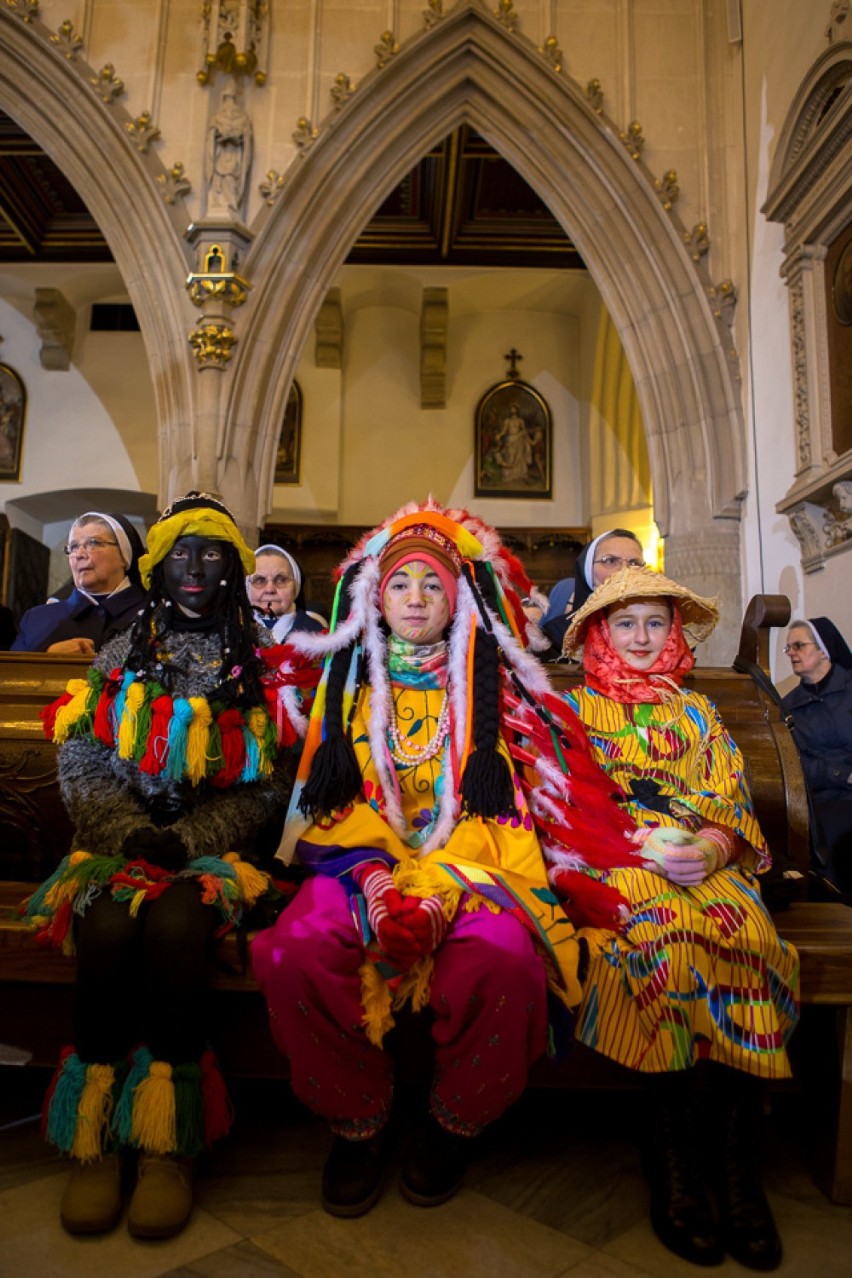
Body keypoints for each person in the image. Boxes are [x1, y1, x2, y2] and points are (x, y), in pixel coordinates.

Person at [251, 500, 640, 1219]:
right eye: (401, 585)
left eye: (432, 585)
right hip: (358, 868)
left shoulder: (496, 694)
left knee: (502, 959)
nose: (417, 599)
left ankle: (453, 1120)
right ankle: (357, 1120)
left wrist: (438, 893)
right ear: (378, 597)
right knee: (294, 952)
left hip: (472, 870)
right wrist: (372, 881)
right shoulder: (348, 687)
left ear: (456, 598)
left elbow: (506, 815)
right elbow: (326, 804)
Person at [23, 492, 302, 1240]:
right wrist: (126, 832)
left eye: (212, 555)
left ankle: (165, 1144)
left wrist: (190, 841)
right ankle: (97, 1137)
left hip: (209, 853)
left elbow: (270, 781)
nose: (194, 568)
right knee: (109, 929)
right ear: (159, 564)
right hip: (121, 846)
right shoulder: (122, 651)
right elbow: (81, 753)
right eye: (182, 552)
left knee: (176, 927)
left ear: (232, 570)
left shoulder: (254, 663)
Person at [557, 566, 799, 1271]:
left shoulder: (699, 712)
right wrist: (633, 845)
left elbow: (729, 795)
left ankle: (736, 1162)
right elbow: (562, 802)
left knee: (748, 937)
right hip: (617, 866)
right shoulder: (573, 710)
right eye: (624, 623)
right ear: (600, 631)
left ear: (674, 632)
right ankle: (672, 1154)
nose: (639, 636)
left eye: (654, 623)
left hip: (705, 864)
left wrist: (712, 847)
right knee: (669, 944)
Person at [12, 511, 146, 655]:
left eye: (94, 543)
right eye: (74, 547)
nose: (79, 555)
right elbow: (10, 675)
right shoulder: (37, 619)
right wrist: (48, 658)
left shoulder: (154, 615)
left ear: (124, 557)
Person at [782, 617, 852, 890]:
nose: (792, 654)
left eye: (799, 645)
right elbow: (795, 763)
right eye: (789, 648)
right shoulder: (788, 708)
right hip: (823, 800)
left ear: (823, 650)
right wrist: (842, 774)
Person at [539, 528, 644, 655]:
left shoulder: (660, 626)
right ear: (588, 571)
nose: (624, 570)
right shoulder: (558, 632)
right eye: (610, 561)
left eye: (634, 562)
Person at [247, 542, 325, 640]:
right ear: (247, 587)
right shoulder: (233, 631)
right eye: (259, 580)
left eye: (281, 580)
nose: (270, 589)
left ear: (295, 587)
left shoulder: (319, 636)